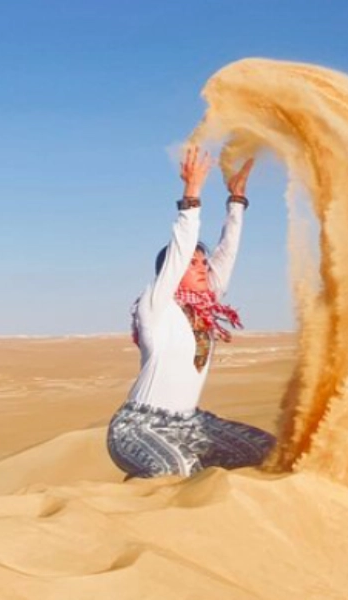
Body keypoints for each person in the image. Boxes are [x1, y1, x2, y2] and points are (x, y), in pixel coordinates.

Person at [107, 145, 275, 479]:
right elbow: (180, 249)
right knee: (178, 471)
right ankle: (140, 496)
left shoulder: (205, 307)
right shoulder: (155, 307)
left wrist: (236, 201)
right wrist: (192, 193)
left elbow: (226, 254)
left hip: (191, 423)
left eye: (203, 262)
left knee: (270, 452)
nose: (201, 267)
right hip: (139, 426)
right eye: (192, 263)